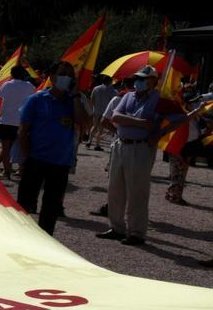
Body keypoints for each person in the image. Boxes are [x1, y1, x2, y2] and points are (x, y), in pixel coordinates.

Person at [16, 62, 90, 235]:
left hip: (60, 163)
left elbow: (83, 124)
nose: (67, 77)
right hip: (36, 159)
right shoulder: (36, 99)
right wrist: (27, 158)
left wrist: (76, 95)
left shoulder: (73, 102)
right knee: (25, 206)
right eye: (63, 73)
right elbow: (23, 131)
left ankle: (44, 243)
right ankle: (19, 240)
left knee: (50, 209)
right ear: (52, 77)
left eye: (70, 75)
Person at [98, 66, 162, 246]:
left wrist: (131, 121)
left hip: (140, 148)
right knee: (115, 188)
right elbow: (115, 117)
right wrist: (139, 122)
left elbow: (158, 124)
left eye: (143, 78)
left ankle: (136, 232)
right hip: (121, 144)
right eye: (138, 78)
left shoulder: (158, 99)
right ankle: (117, 227)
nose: (139, 81)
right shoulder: (127, 96)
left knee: (137, 192)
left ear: (153, 81)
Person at [0, 65, 36, 178]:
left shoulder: (7, 85)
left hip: (6, 120)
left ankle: (7, 171)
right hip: (23, 122)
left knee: (6, 148)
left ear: (12, 74)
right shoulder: (30, 86)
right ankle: (23, 169)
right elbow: (34, 103)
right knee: (23, 148)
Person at [87, 74, 117, 150]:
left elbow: (92, 99)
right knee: (101, 129)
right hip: (105, 111)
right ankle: (97, 144)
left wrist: (93, 108)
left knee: (94, 126)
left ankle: (89, 141)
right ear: (109, 81)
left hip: (96, 110)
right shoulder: (112, 90)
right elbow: (113, 101)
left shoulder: (96, 88)